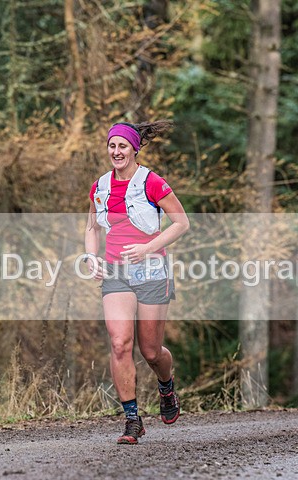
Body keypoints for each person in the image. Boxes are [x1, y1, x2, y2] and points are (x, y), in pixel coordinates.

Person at [84, 120, 190, 444]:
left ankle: (166, 384)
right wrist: (91, 257)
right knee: (119, 343)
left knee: (151, 351)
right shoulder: (100, 186)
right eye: (112, 145)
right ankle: (132, 419)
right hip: (116, 272)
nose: (116, 151)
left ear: (134, 149)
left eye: (122, 146)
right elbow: (92, 227)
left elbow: (181, 223)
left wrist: (147, 247)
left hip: (151, 271)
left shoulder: (152, 182)